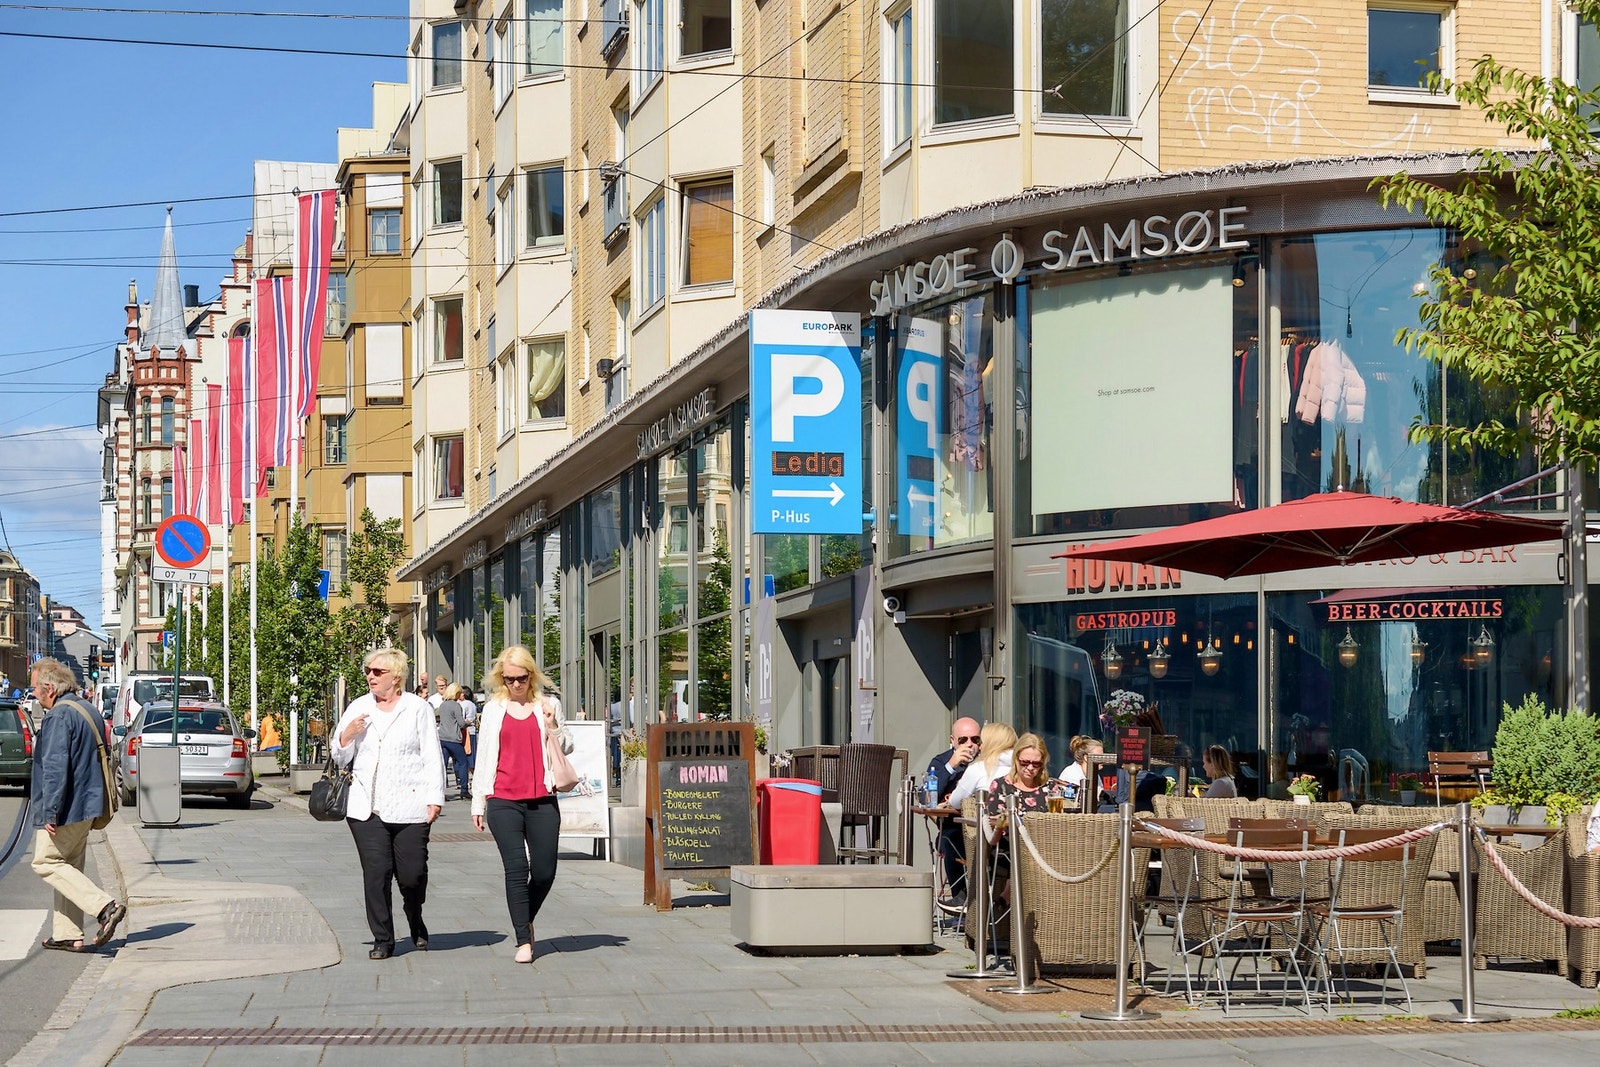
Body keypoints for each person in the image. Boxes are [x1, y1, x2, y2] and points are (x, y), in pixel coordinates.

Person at [331, 647, 446, 960]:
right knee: (377, 873)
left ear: (396, 677)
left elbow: (431, 755)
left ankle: (414, 916)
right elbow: (338, 754)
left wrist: (435, 796)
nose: (370, 676)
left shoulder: (417, 708)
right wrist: (347, 736)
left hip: (410, 804)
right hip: (366, 806)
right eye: (368, 671)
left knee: (412, 874)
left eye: (377, 672)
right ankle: (383, 938)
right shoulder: (358, 706)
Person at [471, 645, 572, 964]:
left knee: (544, 872)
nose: (515, 684)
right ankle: (523, 939)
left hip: (543, 799)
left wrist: (553, 724)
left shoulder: (547, 704)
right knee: (516, 869)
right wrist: (477, 802)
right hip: (503, 800)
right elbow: (484, 757)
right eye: (509, 678)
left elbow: (567, 747)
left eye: (521, 678)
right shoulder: (493, 709)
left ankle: (524, 918)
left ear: (532, 675)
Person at [29, 657, 127, 953]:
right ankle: (67, 933)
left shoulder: (59, 716)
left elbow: (56, 768)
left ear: (49, 687)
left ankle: (104, 907)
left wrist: (50, 811)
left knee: (45, 862)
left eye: (35, 688)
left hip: (67, 807)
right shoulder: (87, 708)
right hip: (89, 804)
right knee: (69, 864)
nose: (33, 694)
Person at [926, 717, 981, 906]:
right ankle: (960, 896)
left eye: (975, 740)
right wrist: (951, 766)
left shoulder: (985, 763)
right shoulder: (941, 761)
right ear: (952, 740)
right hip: (952, 828)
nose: (970, 745)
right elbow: (926, 797)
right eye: (963, 740)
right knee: (950, 840)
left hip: (983, 828)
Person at [948, 721, 1018, 808]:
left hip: (986, 820)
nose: (980, 747)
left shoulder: (979, 768)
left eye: (980, 742)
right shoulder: (1024, 766)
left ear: (990, 744)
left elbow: (956, 802)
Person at [438, 684, 472, 801]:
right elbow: (461, 723)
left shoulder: (443, 705)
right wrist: (468, 723)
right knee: (463, 763)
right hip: (453, 738)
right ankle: (464, 790)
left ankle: (441, 792)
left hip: (442, 737)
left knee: (443, 765)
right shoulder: (456, 705)